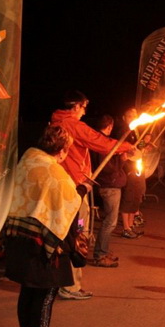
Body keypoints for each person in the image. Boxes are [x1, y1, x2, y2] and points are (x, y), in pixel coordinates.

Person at [1, 125, 89, 327]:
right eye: (66, 150)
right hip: (42, 241)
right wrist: (81, 190)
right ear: (61, 150)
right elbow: (68, 206)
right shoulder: (54, 173)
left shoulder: (28, 160)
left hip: (19, 235)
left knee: (28, 288)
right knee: (46, 290)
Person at [50, 90, 134, 299]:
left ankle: (64, 280)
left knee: (74, 231)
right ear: (76, 106)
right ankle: (70, 285)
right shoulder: (70, 124)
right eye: (84, 107)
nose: (84, 111)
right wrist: (126, 146)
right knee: (78, 234)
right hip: (74, 190)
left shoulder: (56, 121)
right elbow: (99, 141)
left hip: (71, 187)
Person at [90, 114, 128, 268]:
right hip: (108, 186)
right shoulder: (101, 144)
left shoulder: (102, 142)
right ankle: (100, 254)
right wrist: (120, 162)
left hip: (110, 185)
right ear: (109, 126)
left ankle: (103, 251)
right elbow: (105, 167)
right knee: (109, 222)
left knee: (110, 221)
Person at [115, 107, 146, 239]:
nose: (133, 118)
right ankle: (126, 228)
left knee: (137, 195)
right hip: (128, 168)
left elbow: (139, 145)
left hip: (137, 164)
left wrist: (143, 146)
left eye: (134, 115)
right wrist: (127, 153)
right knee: (129, 196)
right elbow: (120, 149)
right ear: (124, 118)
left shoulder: (135, 131)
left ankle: (131, 224)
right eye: (129, 116)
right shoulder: (123, 131)